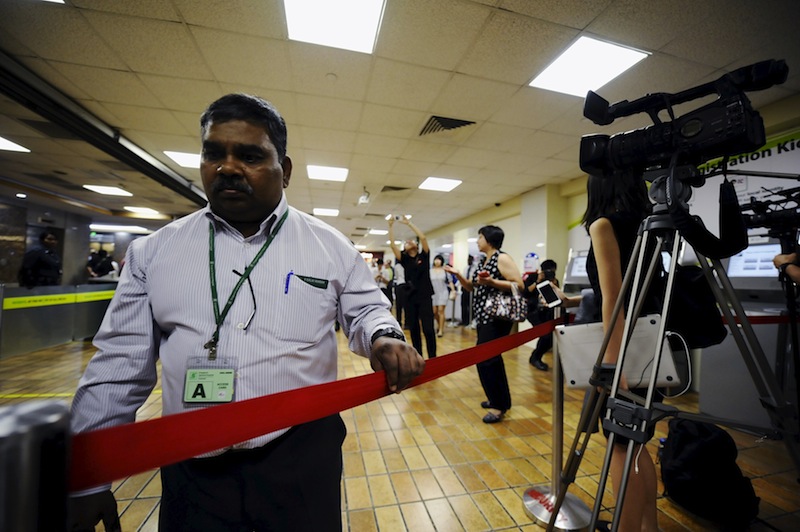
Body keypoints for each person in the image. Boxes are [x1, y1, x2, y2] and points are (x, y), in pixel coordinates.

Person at [68, 93, 425, 532]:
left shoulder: (329, 246)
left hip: (300, 458)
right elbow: (118, 366)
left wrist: (384, 334)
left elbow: (366, 308)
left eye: (250, 155)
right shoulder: (153, 253)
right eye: (214, 153)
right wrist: (86, 479)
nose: (228, 167)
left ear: (285, 170)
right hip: (191, 465)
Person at [582, 171, 663, 532]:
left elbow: (614, 300)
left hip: (625, 352)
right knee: (638, 443)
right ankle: (649, 527)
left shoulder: (603, 224)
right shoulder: (647, 225)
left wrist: (613, 368)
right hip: (652, 347)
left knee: (620, 445)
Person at [445, 225, 523, 424]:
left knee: (487, 359)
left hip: (497, 317)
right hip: (483, 317)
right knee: (489, 359)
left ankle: (499, 406)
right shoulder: (483, 261)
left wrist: (493, 283)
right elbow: (471, 287)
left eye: (480, 237)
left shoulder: (502, 258)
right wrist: (458, 275)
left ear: (489, 239)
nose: (477, 241)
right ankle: (497, 399)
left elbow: (518, 285)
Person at [388, 217, 437, 358]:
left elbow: (423, 237)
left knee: (428, 329)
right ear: (404, 249)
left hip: (425, 296)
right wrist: (390, 226)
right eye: (406, 242)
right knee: (414, 329)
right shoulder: (404, 259)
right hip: (410, 296)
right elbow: (392, 245)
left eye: (411, 241)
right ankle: (419, 356)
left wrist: (409, 223)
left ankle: (433, 357)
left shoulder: (424, 256)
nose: (409, 241)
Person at [523, 259, 559, 371]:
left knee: (549, 337)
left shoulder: (554, 280)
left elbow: (557, 295)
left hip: (548, 312)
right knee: (545, 335)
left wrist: (554, 284)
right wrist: (538, 281)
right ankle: (535, 358)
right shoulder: (533, 277)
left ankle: (535, 357)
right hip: (533, 312)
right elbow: (526, 292)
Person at [430, 254, 454, 337]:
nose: (437, 261)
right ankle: (439, 324)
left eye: (439, 259)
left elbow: (450, 281)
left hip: (443, 292)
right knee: (434, 312)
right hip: (433, 293)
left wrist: (453, 290)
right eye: (436, 259)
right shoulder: (430, 271)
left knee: (441, 311)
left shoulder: (445, 270)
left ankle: (441, 330)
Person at [460, 255, 477, 326]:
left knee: (471, 305)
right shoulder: (466, 268)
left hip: (471, 288)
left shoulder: (475, 268)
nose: (468, 261)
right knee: (463, 305)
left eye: (470, 259)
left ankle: (471, 320)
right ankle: (464, 321)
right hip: (464, 288)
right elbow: (463, 277)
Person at [393, 261, 408, 328]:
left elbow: (396, 276)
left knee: (403, 305)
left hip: (402, 285)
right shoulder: (397, 266)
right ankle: (403, 322)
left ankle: (401, 322)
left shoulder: (397, 266)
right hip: (402, 285)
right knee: (400, 305)